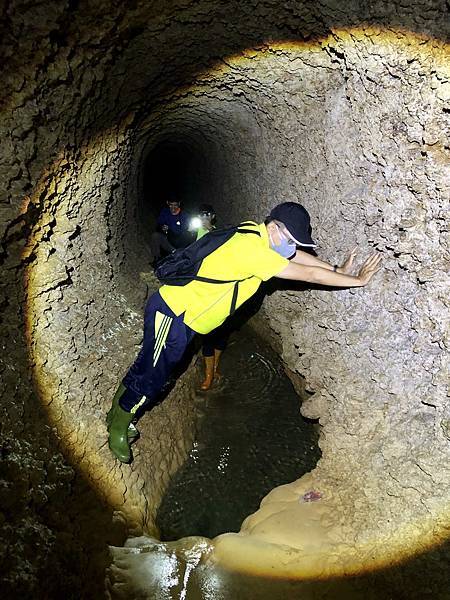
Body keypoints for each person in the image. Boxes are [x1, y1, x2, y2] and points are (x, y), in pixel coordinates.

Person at [107, 202, 382, 463]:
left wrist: (336, 269)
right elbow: (309, 275)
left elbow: (297, 256)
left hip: (182, 316)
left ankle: (116, 412)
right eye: (290, 239)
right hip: (174, 314)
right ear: (274, 228)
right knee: (155, 376)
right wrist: (356, 280)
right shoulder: (254, 253)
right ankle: (119, 425)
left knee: (149, 364)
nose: (292, 246)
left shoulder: (253, 232)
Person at [190, 204, 227, 391]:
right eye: (201, 215)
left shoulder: (218, 234)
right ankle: (208, 376)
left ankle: (215, 368)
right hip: (202, 288)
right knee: (207, 334)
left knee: (221, 333)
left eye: (207, 215)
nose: (204, 218)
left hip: (219, 289)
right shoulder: (194, 233)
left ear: (213, 216)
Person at [150, 199, 191, 265]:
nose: (173, 208)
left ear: (179, 204)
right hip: (168, 242)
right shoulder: (165, 212)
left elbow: (185, 232)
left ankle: (178, 257)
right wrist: (162, 227)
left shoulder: (185, 215)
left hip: (180, 244)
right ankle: (157, 259)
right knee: (155, 236)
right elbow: (159, 224)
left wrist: (170, 228)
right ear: (167, 203)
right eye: (171, 205)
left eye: (175, 205)